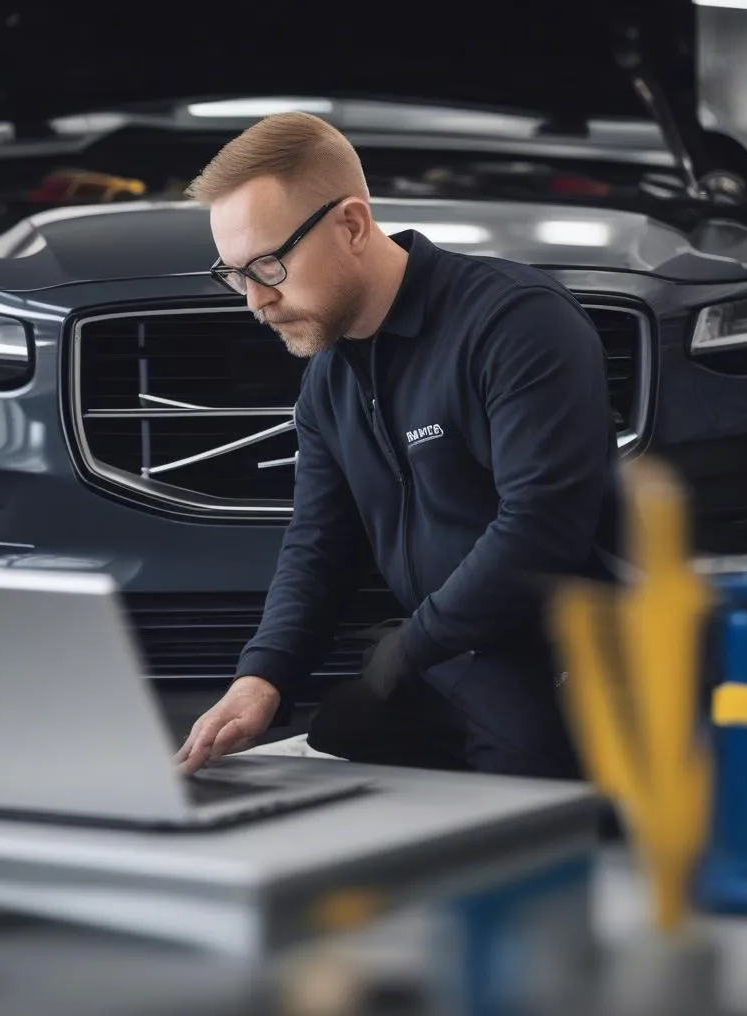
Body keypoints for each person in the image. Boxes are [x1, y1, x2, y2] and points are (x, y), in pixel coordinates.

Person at [175, 111, 621, 779]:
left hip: (560, 655)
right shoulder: (328, 382)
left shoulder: (516, 324)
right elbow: (318, 545)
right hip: (439, 662)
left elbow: (541, 527)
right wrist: (263, 676)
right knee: (326, 762)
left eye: (268, 265)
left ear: (352, 225)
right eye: (235, 275)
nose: (256, 301)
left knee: (515, 821)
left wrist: (409, 649)